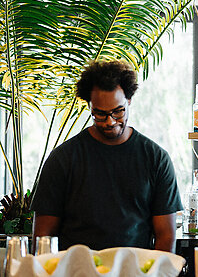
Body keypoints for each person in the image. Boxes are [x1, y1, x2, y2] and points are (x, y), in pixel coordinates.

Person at [32, 60, 182, 252]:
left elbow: (166, 236)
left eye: (118, 111)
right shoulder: (63, 159)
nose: (110, 121)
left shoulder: (156, 159)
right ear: (89, 106)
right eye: (100, 114)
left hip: (135, 271)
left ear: (129, 100)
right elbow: (43, 238)